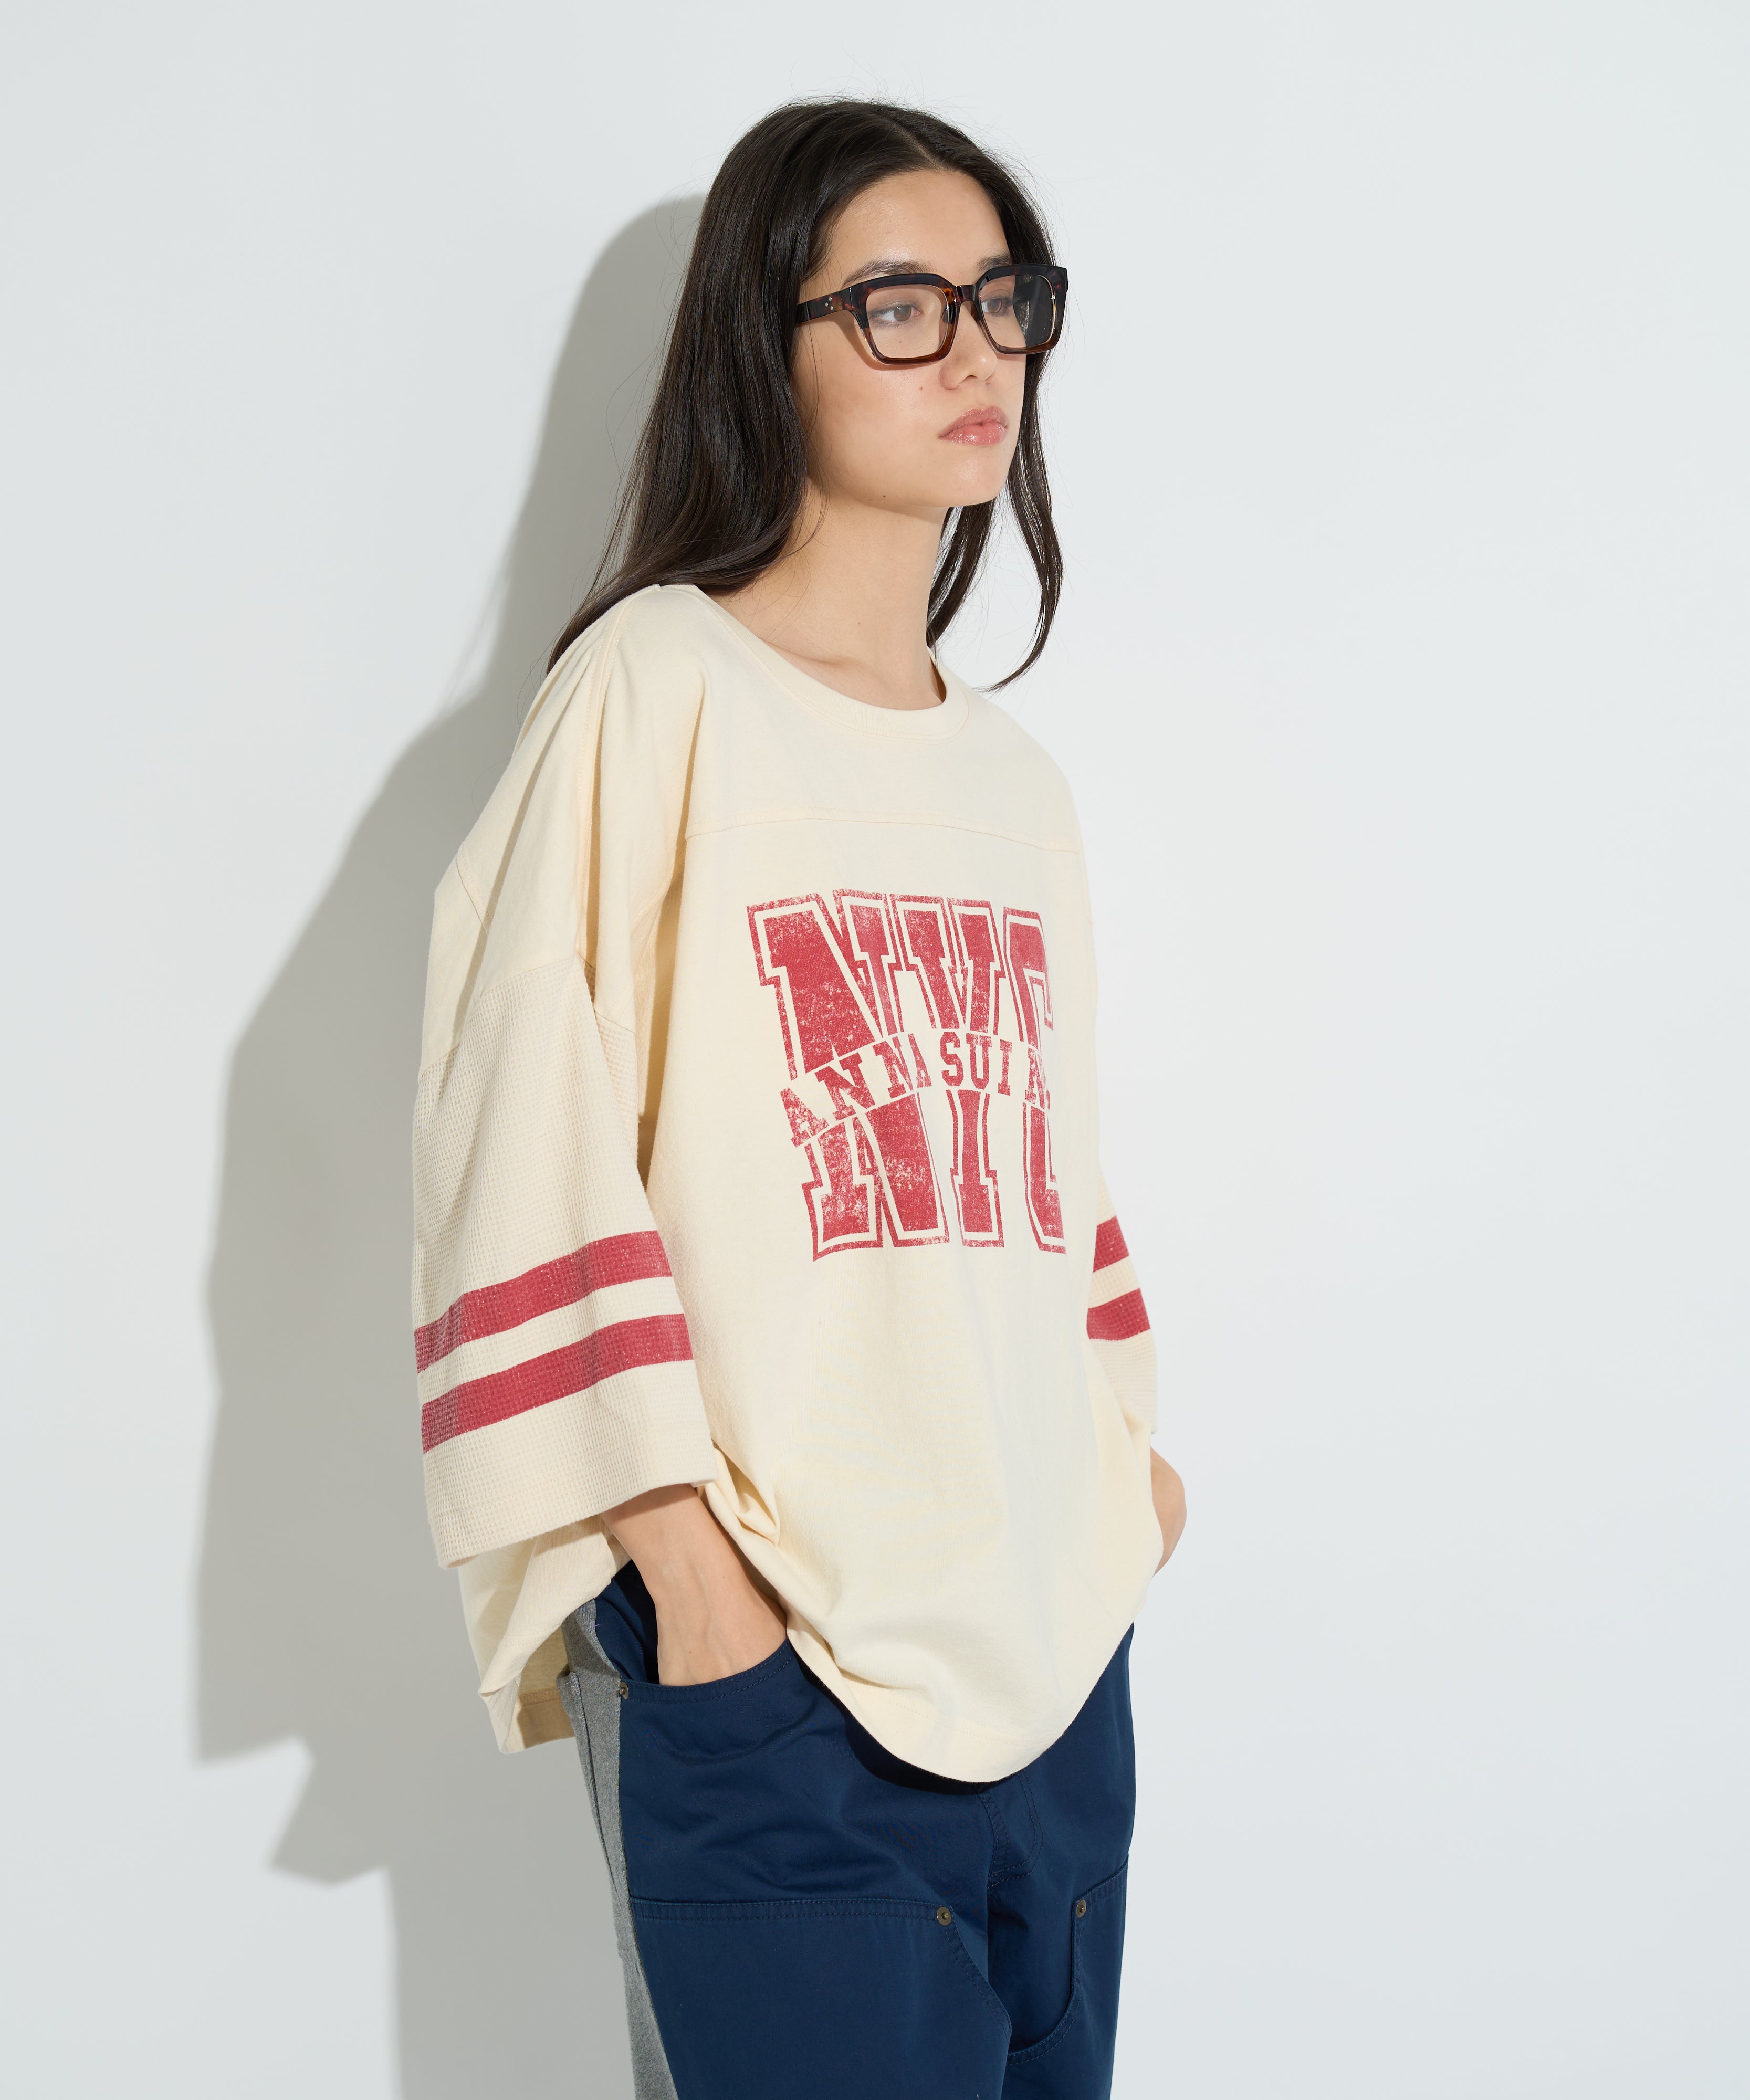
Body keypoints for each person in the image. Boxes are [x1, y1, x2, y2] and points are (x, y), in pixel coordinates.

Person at [411, 97, 1187, 2100]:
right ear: (770, 346)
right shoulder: (655, 692)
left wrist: (1126, 1474)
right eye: (901, 306)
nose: (976, 353)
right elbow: (518, 1132)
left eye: (1004, 300)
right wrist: (679, 1557)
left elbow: (1042, 1177)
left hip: (1050, 1650)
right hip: (776, 1658)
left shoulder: (1014, 783)